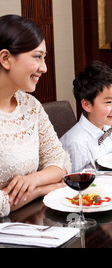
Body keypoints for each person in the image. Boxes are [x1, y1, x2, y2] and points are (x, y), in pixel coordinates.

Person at [0, 14, 71, 217]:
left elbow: (59, 162)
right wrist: (39, 190)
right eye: (37, 57)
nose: (44, 67)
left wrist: (32, 181)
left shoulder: (30, 105)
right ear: (5, 59)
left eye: (44, 57)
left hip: (28, 223)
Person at [60, 62, 112, 172]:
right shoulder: (77, 143)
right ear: (87, 105)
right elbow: (75, 181)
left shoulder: (107, 127)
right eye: (108, 102)